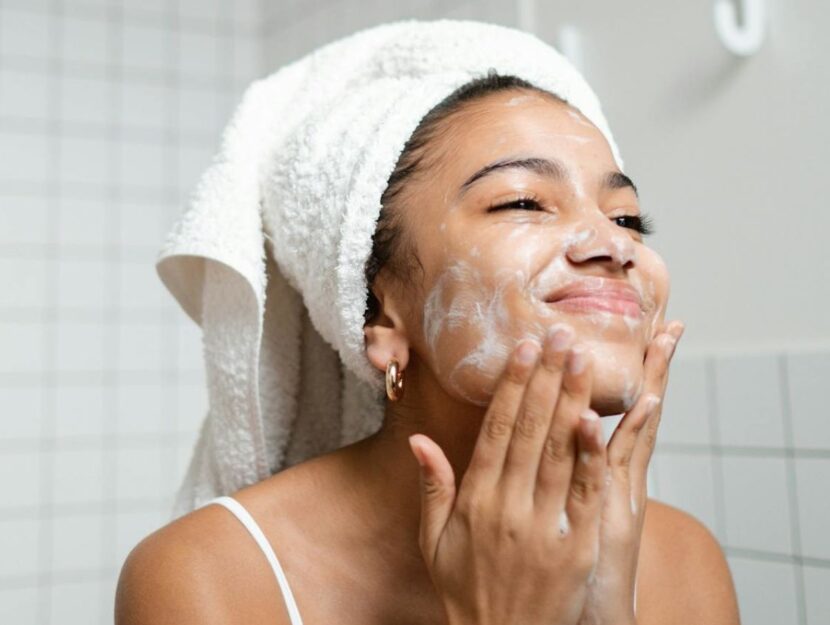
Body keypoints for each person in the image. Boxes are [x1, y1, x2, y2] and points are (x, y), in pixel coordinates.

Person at [115, 27, 740, 625]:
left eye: (628, 218)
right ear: (380, 313)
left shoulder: (681, 560)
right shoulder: (211, 575)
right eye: (522, 202)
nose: (613, 243)